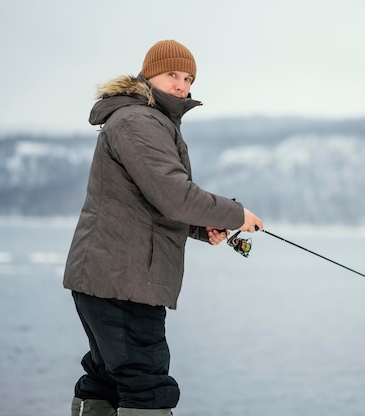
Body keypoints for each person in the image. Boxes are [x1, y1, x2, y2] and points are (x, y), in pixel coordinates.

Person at [63, 39, 263, 416]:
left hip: (110, 279)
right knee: (147, 386)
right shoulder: (139, 121)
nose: (182, 85)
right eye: (172, 74)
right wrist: (236, 215)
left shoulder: (145, 119)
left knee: (107, 377)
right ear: (148, 73)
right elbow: (174, 194)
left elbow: (152, 202)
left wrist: (203, 229)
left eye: (188, 78)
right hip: (125, 283)